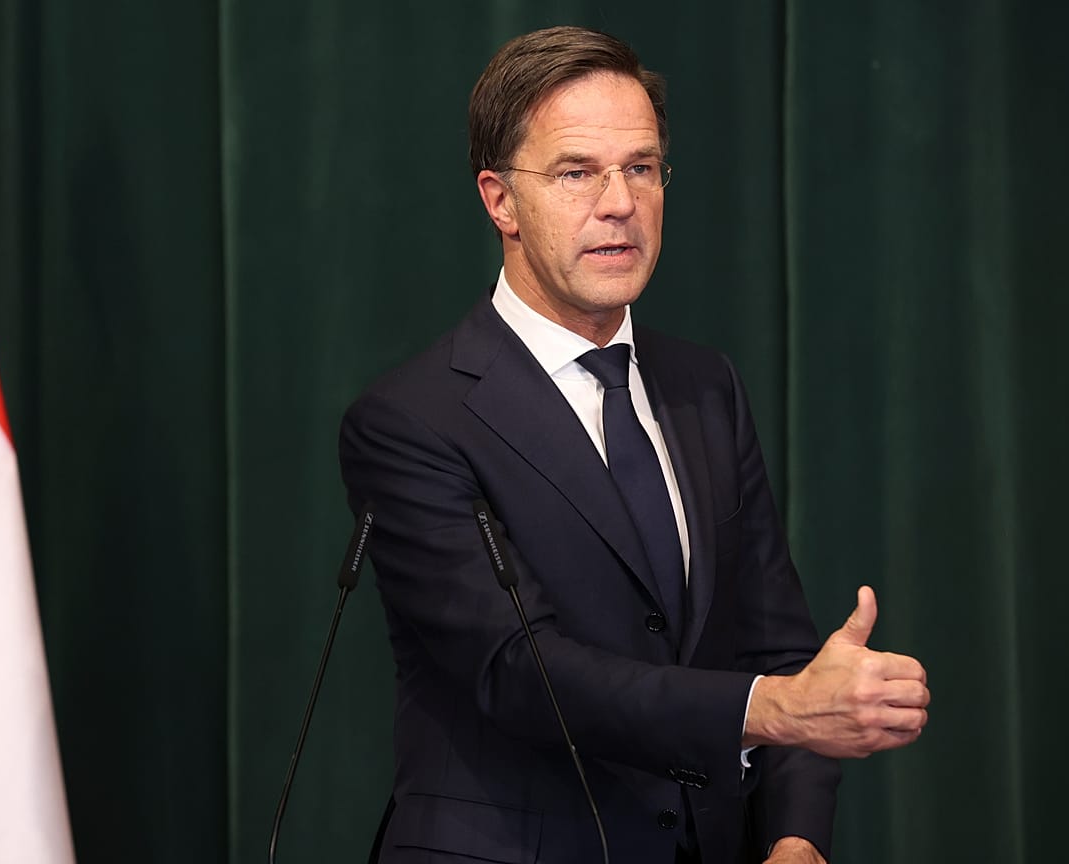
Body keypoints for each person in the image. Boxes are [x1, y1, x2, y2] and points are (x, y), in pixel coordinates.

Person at [339, 26, 929, 864]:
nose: (619, 202)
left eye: (642, 168)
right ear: (499, 199)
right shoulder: (412, 419)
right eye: (577, 172)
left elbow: (780, 649)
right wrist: (772, 709)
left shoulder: (704, 388)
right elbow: (521, 671)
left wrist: (797, 841)